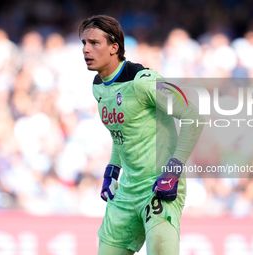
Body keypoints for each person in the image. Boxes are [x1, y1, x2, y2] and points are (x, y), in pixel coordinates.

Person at [78, 15, 204, 255]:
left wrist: (173, 170)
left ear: (114, 47)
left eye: (94, 43)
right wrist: (113, 168)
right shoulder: (98, 86)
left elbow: (193, 117)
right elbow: (122, 131)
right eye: (84, 43)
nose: (86, 49)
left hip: (158, 186)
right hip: (126, 191)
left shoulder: (144, 81)